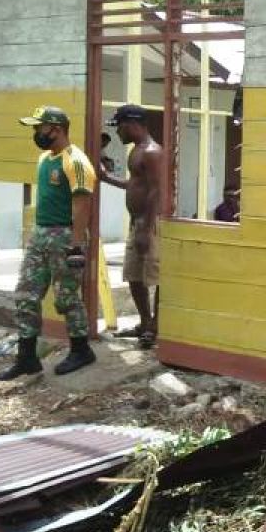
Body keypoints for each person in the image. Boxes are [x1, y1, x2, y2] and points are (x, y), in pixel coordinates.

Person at [0, 106, 98, 380]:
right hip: (41, 235)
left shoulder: (76, 162)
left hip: (65, 236)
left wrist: (76, 245)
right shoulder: (44, 159)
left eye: (39, 127)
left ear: (56, 129)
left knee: (66, 297)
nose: (35, 133)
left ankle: (81, 349)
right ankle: (27, 358)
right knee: (26, 295)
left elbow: (82, 206)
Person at [98, 104, 164, 349]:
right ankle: (145, 323)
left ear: (131, 124)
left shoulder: (152, 152)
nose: (118, 134)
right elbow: (137, 186)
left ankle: (156, 325)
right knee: (134, 277)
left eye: (120, 128)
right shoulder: (136, 151)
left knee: (156, 277)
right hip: (137, 222)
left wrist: (146, 229)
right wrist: (107, 178)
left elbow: (157, 191)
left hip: (149, 223)